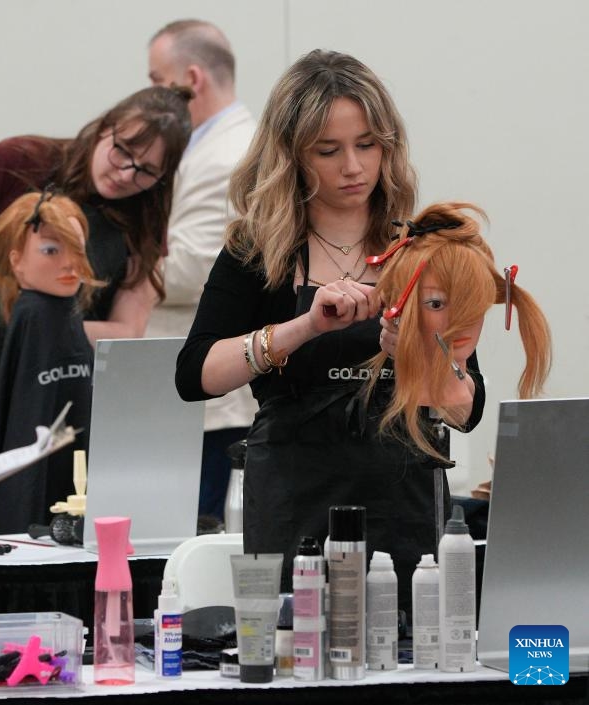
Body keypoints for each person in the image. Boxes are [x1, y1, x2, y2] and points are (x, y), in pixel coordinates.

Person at [175, 50, 486, 610]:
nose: (353, 167)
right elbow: (195, 374)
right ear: (290, 156)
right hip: (293, 507)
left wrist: (417, 358)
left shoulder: (426, 251)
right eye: (329, 150)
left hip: (406, 512)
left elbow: (467, 408)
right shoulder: (256, 252)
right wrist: (302, 328)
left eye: (367, 145)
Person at [0, 86, 192, 472]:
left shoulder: (144, 217)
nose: (125, 174)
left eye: (147, 171)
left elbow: (127, 328)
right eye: (122, 152)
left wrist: (48, 331)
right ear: (105, 128)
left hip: (55, 384)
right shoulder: (16, 162)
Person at [146, 19, 258, 523]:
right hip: (209, 387)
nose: (149, 97)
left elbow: (189, 270)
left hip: (213, 401)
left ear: (192, 78)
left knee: (196, 537)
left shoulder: (223, 158)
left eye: (154, 80)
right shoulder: (222, 145)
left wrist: (101, 274)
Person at [364, 201, 551, 459]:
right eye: (436, 304)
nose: (460, 322)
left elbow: (464, 412)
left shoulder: (460, 367)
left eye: (472, 302)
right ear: (399, 310)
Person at [0, 190, 101, 534]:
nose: (70, 263)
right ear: (17, 261)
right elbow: (22, 419)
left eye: (77, 249)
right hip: (34, 501)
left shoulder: (65, 314)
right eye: (51, 250)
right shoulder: (34, 317)